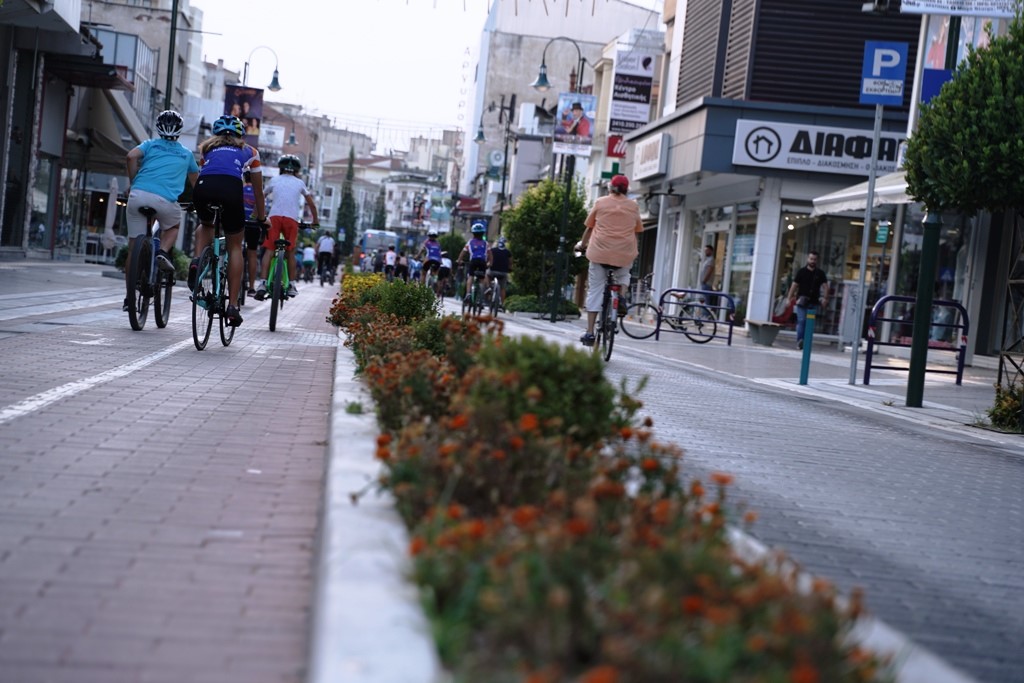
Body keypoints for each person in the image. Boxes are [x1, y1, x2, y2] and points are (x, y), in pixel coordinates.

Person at [190, 114, 265, 327]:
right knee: (234, 245)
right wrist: (262, 218)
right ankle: (232, 306)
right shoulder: (251, 152)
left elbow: (205, 170)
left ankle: (197, 260)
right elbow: (258, 192)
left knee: (206, 224)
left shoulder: (207, 150)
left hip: (203, 188)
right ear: (240, 134)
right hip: (231, 190)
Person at [124, 110, 200, 312]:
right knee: (174, 225)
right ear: (179, 131)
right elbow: (196, 182)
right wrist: (199, 202)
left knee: (133, 248)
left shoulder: (149, 144)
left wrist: (133, 183)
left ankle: (128, 297)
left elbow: (131, 156)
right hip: (165, 201)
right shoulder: (186, 154)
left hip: (137, 195)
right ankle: (163, 252)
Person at [575, 174, 642, 346]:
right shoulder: (634, 206)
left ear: (610, 187)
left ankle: (590, 332)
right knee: (623, 275)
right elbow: (637, 231)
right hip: (624, 253)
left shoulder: (600, 202)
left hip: (599, 253)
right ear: (626, 189)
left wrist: (582, 245)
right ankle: (620, 297)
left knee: (595, 290)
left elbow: (589, 229)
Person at [256, 154, 318, 300]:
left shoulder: (274, 180)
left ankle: (263, 283)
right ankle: (291, 284)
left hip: (274, 218)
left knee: (269, 250)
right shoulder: (300, 183)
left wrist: (256, 215)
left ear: (281, 168)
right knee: (290, 252)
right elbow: (311, 204)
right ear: (296, 170)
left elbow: (261, 197)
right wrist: (315, 221)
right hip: (291, 220)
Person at [786, 250, 830, 350]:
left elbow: (826, 287)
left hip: (813, 302)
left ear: (817, 260)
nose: (812, 261)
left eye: (814, 259)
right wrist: (789, 298)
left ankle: (806, 342)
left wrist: (825, 299)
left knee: (809, 323)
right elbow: (794, 285)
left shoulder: (820, 273)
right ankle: (800, 341)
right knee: (801, 321)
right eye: (811, 259)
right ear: (807, 259)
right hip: (801, 302)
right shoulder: (801, 272)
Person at [241, 170, 263, 298]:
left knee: (235, 249)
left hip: (239, 222)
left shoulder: (239, 188)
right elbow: (262, 210)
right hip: (253, 225)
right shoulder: (258, 192)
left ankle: (232, 279)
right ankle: (251, 287)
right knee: (252, 253)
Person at [457, 223, 490, 296]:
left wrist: (459, 260)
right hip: (482, 261)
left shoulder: (470, 242)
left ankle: (468, 293)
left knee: (471, 276)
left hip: (473, 261)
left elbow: (463, 252)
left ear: (473, 233)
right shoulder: (485, 243)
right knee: (482, 277)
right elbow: (490, 254)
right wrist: (490, 263)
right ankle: (484, 290)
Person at [486, 236, 512, 310]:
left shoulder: (492, 250)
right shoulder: (508, 252)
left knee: (487, 274)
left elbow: (488, 259)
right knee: (503, 288)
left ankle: (488, 287)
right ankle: (502, 304)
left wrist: (487, 264)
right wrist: (510, 268)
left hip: (492, 271)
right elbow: (510, 262)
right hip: (503, 273)